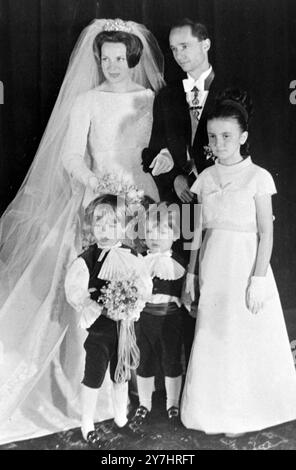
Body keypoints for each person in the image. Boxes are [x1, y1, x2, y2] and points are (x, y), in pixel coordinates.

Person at [0, 18, 164, 444]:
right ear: (98, 59)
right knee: (89, 290)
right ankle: (83, 387)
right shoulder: (87, 101)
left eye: (119, 57)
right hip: (98, 202)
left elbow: (155, 149)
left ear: (132, 57)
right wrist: (100, 188)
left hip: (140, 198)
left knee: (139, 286)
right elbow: (72, 156)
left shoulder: (149, 97)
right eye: (105, 58)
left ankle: (131, 389)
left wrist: (142, 188)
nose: (112, 65)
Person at [181, 89, 296, 436]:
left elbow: (266, 233)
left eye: (227, 136)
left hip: (246, 267)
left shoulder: (258, 177)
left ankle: (245, 413)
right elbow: (197, 232)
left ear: (243, 137)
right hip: (213, 269)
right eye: (213, 137)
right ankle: (213, 411)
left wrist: (258, 279)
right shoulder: (204, 178)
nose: (219, 143)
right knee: (214, 336)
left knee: (242, 337)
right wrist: (190, 274)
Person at [142, 18, 227, 366]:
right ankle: (191, 372)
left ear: (205, 45)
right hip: (187, 205)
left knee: (221, 278)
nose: (179, 55)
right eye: (174, 49)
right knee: (189, 285)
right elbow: (152, 152)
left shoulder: (232, 89)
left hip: (223, 202)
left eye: (185, 46)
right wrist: (175, 177)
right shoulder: (166, 96)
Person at [65, 194, 152, 447]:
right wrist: (96, 303)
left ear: (124, 226)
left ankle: (121, 419)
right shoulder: (87, 259)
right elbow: (76, 292)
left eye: (112, 225)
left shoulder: (132, 255)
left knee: (121, 374)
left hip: (124, 328)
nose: (105, 231)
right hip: (101, 331)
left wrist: (132, 303)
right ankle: (87, 424)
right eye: (99, 224)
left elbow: (144, 285)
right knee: (93, 375)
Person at [129, 202, 186, 430]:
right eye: (151, 232)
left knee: (172, 359)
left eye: (162, 232)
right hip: (145, 318)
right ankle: (145, 403)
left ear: (175, 235)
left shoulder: (179, 262)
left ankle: (173, 403)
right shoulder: (139, 259)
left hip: (170, 318)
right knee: (145, 361)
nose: (155, 237)